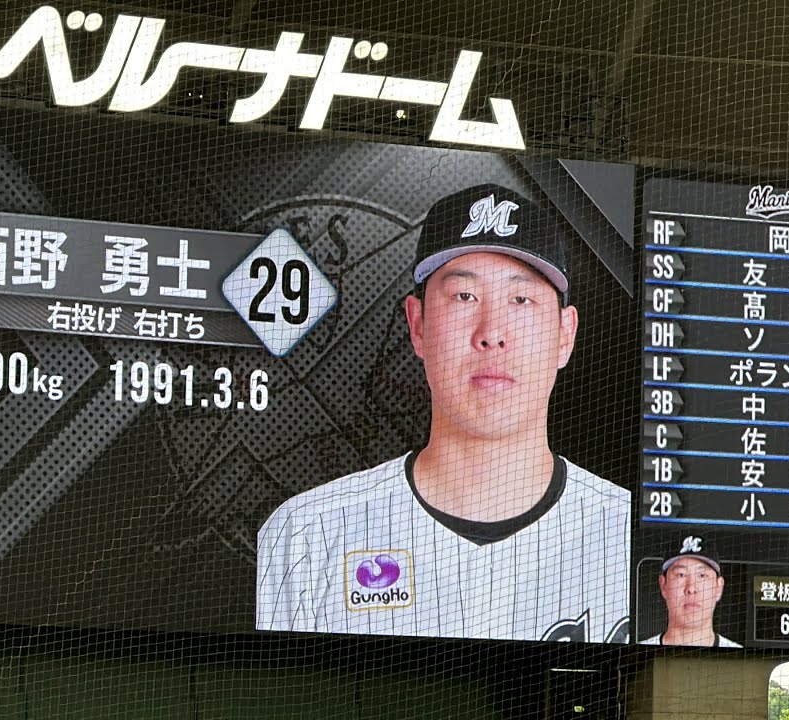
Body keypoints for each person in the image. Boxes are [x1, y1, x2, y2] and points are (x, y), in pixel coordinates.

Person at [256, 183, 630, 642]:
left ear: (565, 335)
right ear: (417, 325)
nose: (492, 333)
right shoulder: (306, 537)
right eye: (464, 297)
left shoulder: (634, 537)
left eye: (521, 300)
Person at [639, 536, 740, 647]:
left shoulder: (741, 655)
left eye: (702, 575)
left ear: (718, 587)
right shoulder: (637, 653)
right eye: (681, 575)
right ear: (663, 585)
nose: (691, 588)